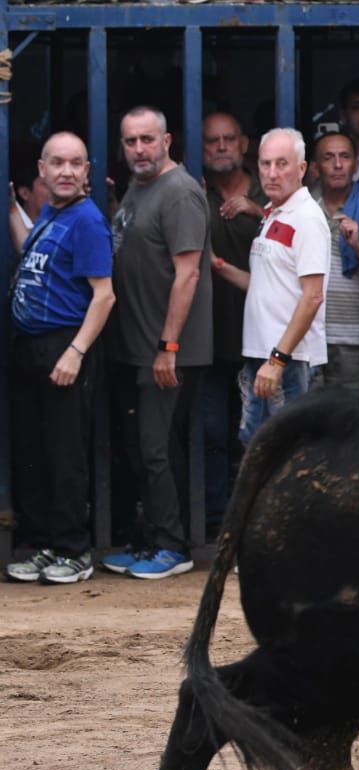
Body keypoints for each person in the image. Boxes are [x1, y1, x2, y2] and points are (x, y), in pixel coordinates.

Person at [105, 106, 214, 580]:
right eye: (130, 141)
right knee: (143, 447)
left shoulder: (180, 192)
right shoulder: (138, 188)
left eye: (147, 140)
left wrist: (168, 345)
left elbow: (187, 273)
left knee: (156, 449)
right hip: (136, 346)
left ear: (167, 140)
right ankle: (151, 539)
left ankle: (173, 546)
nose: (139, 150)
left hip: (168, 351)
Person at [5, 132, 115, 584]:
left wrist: (75, 352)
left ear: (87, 172)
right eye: (58, 163)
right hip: (32, 347)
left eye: (75, 164)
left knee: (65, 452)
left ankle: (73, 550)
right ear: (43, 170)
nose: (66, 171)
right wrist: (10, 204)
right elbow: (30, 247)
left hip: (64, 346)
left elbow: (104, 297)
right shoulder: (53, 214)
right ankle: (44, 545)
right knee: (36, 451)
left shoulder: (87, 221)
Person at [211, 129, 327, 447]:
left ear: (301, 169)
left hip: (288, 362)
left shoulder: (306, 218)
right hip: (264, 357)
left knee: (281, 459)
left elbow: (313, 296)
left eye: (282, 164)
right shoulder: (275, 213)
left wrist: (277, 361)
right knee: (258, 450)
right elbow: (264, 285)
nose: (271, 173)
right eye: (265, 164)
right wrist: (217, 265)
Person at [199, 112, 265, 531]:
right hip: (205, 337)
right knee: (210, 434)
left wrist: (257, 210)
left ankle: (252, 521)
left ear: (244, 144)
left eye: (229, 139)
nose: (221, 147)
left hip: (258, 338)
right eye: (212, 141)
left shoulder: (268, 192)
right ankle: (213, 522)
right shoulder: (193, 193)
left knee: (255, 436)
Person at [310, 128, 359, 388]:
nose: (337, 165)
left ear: (356, 164)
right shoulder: (303, 207)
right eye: (328, 158)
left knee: (352, 422)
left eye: (345, 157)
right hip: (310, 337)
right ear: (315, 167)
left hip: (354, 339)